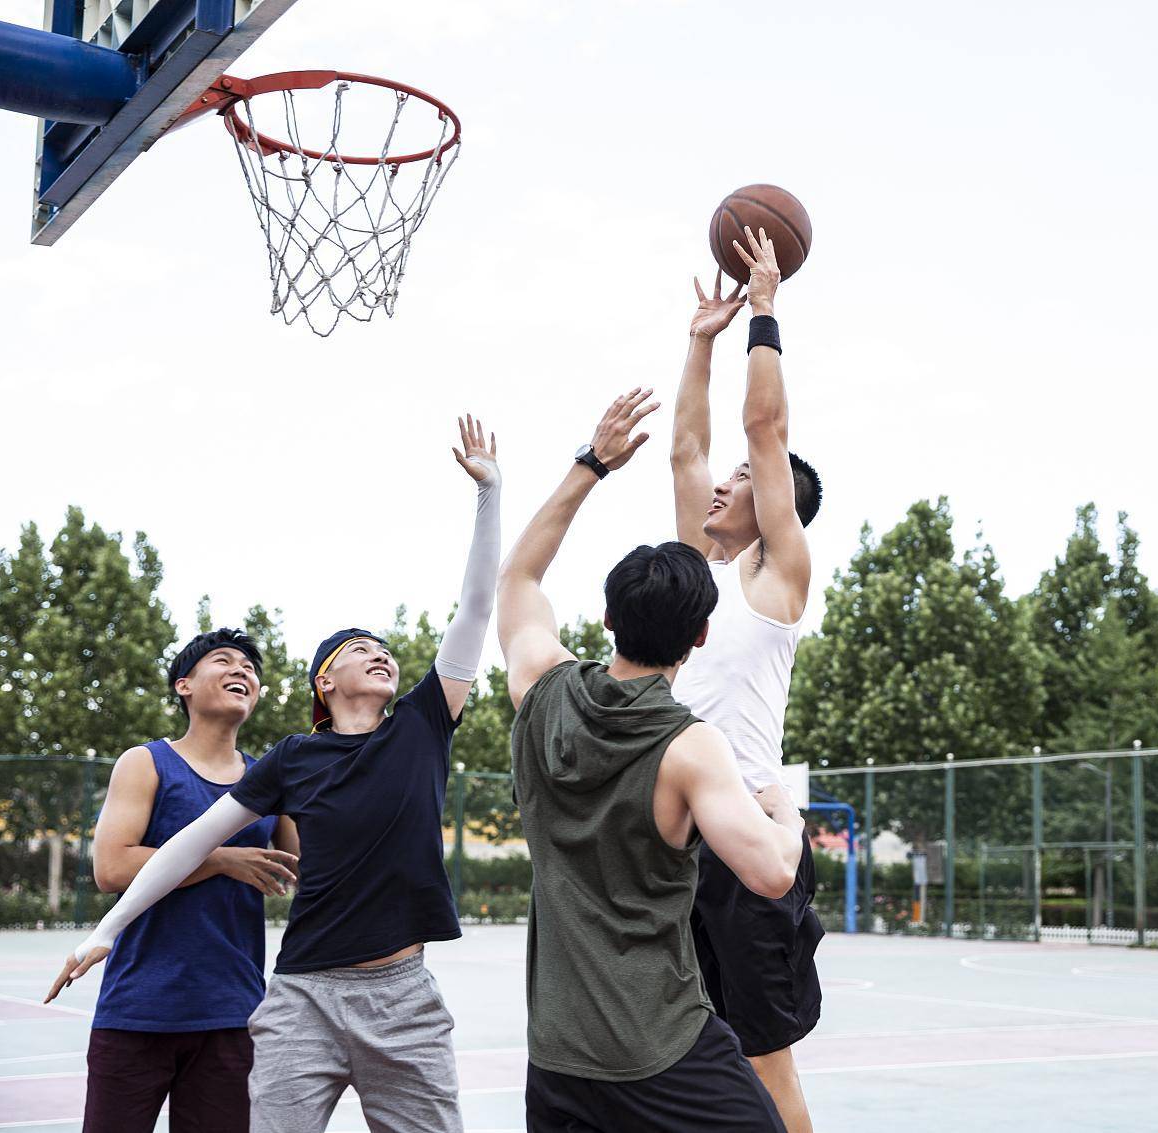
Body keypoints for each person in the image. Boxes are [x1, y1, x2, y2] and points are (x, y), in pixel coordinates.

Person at [47, 415, 503, 1133]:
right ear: (325, 681)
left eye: (386, 649)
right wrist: (107, 927)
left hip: (403, 993)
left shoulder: (421, 726)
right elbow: (191, 842)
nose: (381, 653)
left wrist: (490, 493)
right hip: (302, 994)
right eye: (360, 648)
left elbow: (478, 604)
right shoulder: (292, 758)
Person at [498, 387, 804, 1132]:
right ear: (699, 638)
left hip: (558, 1050)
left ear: (607, 617)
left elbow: (519, 580)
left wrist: (591, 465)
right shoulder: (690, 744)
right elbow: (771, 871)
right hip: (658, 1041)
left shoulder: (541, 691)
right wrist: (787, 811)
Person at [669, 227, 825, 1131]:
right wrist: (700, 340)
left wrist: (764, 313)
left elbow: (762, 430)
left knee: (766, 1062)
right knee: (677, 1053)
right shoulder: (697, 577)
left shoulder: (774, 583)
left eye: (744, 481)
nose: (722, 484)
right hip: (671, 843)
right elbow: (688, 454)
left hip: (747, 844)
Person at [83, 628, 300, 1133]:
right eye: (224, 661)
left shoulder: (271, 779)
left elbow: (306, 866)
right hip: (139, 1009)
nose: (241, 670)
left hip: (233, 1012)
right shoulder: (146, 762)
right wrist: (220, 859)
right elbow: (111, 868)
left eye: (250, 669)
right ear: (184, 685)